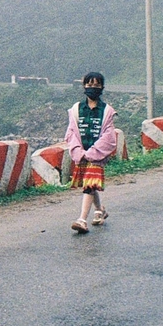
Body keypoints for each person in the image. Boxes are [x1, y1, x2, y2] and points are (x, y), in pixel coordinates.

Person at [67, 72, 118, 234]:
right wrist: (78, 152)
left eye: (96, 85)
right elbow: (71, 133)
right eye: (89, 85)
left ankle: (82, 220)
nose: (92, 88)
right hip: (82, 154)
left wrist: (93, 153)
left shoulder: (107, 111)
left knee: (89, 185)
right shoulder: (76, 110)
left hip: (97, 156)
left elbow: (109, 137)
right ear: (84, 86)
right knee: (91, 183)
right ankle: (100, 210)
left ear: (102, 87)